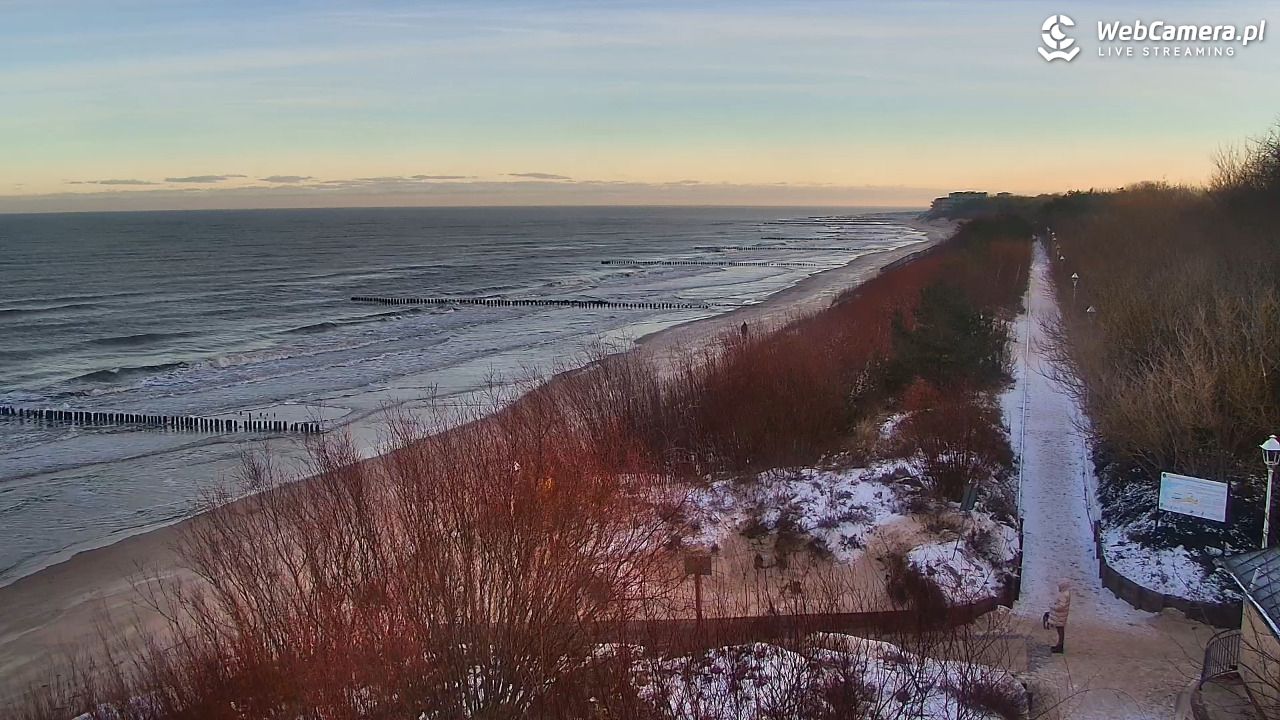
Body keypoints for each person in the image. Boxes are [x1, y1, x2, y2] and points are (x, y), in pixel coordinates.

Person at [1047, 580, 1071, 653]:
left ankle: (1059, 646)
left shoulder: (1063, 595)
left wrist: (1053, 606)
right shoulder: (1065, 594)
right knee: (1060, 630)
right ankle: (1059, 645)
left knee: (1060, 630)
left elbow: (1061, 606)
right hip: (1061, 616)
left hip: (1060, 616)